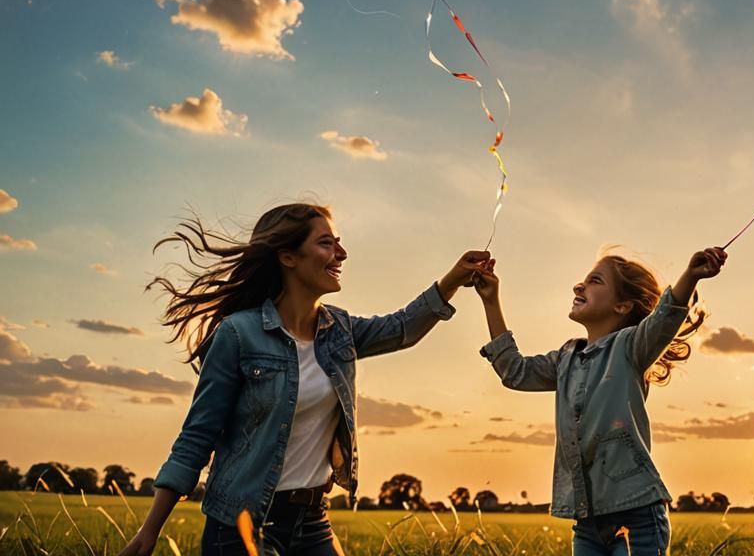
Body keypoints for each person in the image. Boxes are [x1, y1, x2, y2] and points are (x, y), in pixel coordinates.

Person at [119, 203, 490, 556]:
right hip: (242, 524)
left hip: (312, 522)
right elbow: (197, 436)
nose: (341, 254)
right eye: (326, 243)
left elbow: (403, 328)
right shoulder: (238, 334)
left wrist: (454, 278)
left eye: (338, 243)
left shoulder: (339, 330)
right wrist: (150, 530)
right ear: (288, 257)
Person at [472, 246, 726, 556]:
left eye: (595, 281)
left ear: (622, 306)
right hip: (587, 523)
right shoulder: (565, 359)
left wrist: (691, 276)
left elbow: (664, 319)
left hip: (637, 516)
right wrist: (490, 300)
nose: (579, 286)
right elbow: (515, 372)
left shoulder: (630, 347)